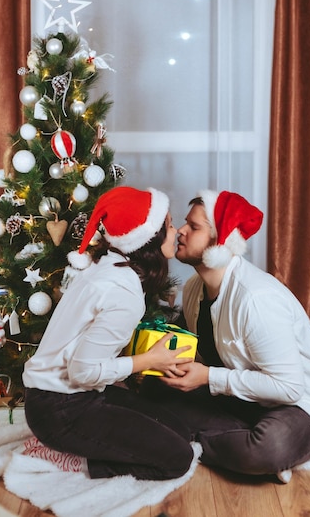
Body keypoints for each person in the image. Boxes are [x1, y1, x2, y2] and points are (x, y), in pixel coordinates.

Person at [140, 189, 310, 483]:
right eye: (185, 223)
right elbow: (203, 355)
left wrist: (208, 378)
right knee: (154, 388)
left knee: (266, 448)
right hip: (244, 395)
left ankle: (250, 448)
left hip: (300, 405)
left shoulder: (255, 299)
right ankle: (238, 439)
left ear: (220, 241)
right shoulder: (193, 289)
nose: (181, 232)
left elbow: (289, 388)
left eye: (194, 227)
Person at [22, 185, 196, 481]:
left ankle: (81, 447)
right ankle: (74, 465)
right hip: (59, 409)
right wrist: (149, 360)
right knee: (178, 459)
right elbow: (82, 372)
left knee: (179, 430)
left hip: (74, 397)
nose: (176, 230)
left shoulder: (111, 267)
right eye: (168, 225)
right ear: (149, 239)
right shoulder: (122, 293)